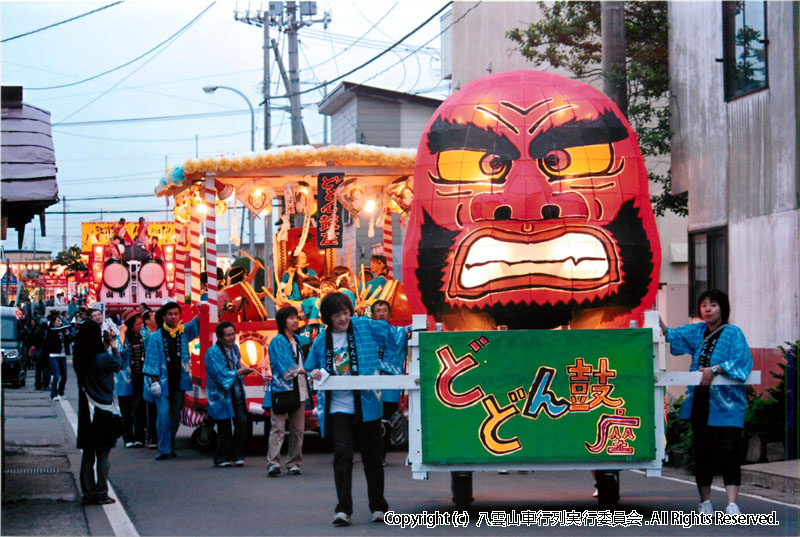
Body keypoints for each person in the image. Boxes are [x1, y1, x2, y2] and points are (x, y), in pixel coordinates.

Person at [305, 292, 408, 526]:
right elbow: (311, 367)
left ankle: (379, 506)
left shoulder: (364, 326)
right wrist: (315, 373)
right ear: (327, 318)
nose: (343, 318)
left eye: (345, 312)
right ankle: (343, 509)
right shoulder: (322, 340)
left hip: (368, 404)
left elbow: (393, 334)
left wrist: (415, 329)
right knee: (342, 454)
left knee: (373, 456)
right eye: (337, 314)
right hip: (338, 407)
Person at [660, 289, 753, 515]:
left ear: (723, 307)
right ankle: (705, 502)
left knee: (730, 450)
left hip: (728, 402)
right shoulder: (697, 331)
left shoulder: (733, 333)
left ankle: (732, 503)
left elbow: (743, 361)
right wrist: (656, 318)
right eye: (703, 305)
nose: (707, 309)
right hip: (700, 400)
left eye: (713, 304)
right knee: (703, 451)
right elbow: (671, 335)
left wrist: (716, 368)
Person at [73, 320, 122, 505]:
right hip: (104, 409)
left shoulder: (80, 358)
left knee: (88, 453)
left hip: (87, 409)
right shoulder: (103, 358)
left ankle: (88, 492)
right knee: (103, 453)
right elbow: (119, 364)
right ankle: (101, 491)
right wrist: (112, 344)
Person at [143, 301, 199, 460]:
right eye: (170, 314)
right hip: (162, 384)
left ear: (179, 315)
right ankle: (163, 449)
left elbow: (197, 323)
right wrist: (154, 382)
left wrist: (204, 307)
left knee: (175, 416)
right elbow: (151, 360)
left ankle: (170, 443)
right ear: (164, 316)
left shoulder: (183, 332)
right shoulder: (155, 337)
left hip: (179, 382)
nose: (173, 317)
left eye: (176, 314)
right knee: (162, 415)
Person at [264, 306, 309, 477]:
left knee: (298, 429)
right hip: (281, 389)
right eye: (291, 317)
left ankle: (294, 462)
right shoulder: (278, 341)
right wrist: (308, 371)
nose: (295, 320)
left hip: (300, 389)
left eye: (296, 317)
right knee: (278, 428)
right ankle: (273, 463)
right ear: (283, 321)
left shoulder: (297, 339)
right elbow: (287, 367)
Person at [204, 321, 253, 467]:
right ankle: (221, 457)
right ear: (220, 337)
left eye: (233, 334)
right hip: (220, 395)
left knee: (242, 423)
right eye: (228, 335)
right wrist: (240, 372)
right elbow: (221, 375)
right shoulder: (212, 352)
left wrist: (240, 372)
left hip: (236, 391)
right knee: (224, 426)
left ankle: (237, 454)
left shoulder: (235, 348)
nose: (232, 338)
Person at [370, 299, 404, 459]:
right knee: (371, 419)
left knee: (386, 418)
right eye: (378, 310)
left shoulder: (397, 333)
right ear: (372, 314)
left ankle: (381, 454)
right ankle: (372, 452)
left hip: (390, 383)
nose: (381, 313)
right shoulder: (367, 334)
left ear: (390, 313)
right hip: (370, 383)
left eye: (384, 310)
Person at [117, 309, 146, 448]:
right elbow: (118, 352)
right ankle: (128, 437)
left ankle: (139, 437)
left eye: (141, 323)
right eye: (137, 324)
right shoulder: (122, 337)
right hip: (125, 380)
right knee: (126, 410)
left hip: (140, 376)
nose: (139, 326)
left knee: (139, 407)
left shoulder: (142, 335)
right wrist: (122, 332)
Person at [140, 310, 159, 449]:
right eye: (153, 317)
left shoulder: (155, 333)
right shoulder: (144, 334)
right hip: (149, 375)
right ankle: (152, 436)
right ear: (147, 321)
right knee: (152, 408)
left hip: (160, 373)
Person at [44, 314, 72, 401]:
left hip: (62, 355)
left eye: (60, 321)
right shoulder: (51, 330)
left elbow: (68, 340)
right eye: (58, 321)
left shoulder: (63, 330)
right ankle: (53, 394)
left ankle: (61, 391)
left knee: (64, 376)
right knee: (56, 375)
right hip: (53, 354)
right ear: (53, 322)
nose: (60, 323)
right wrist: (73, 324)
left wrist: (68, 335)